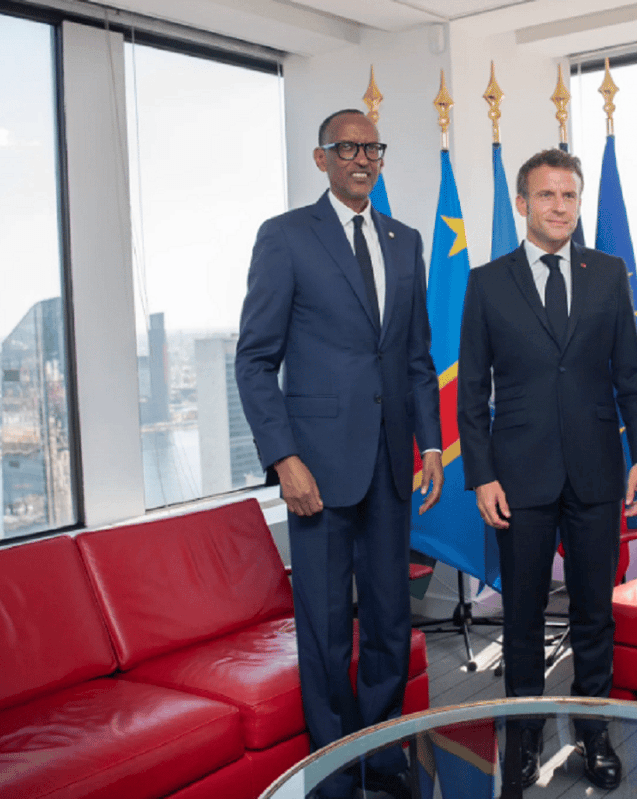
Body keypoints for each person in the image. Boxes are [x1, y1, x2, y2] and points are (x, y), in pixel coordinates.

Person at [235, 108, 443, 799]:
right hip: (315, 472)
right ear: (321, 159)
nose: (362, 158)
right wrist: (284, 458)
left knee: (388, 621)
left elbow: (416, 357)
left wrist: (433, 443)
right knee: (325, 629)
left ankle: (382, 755)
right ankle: (329, 770)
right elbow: (255, 361)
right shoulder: (287, 237)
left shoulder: (405, 241)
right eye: (347, 148)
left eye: (372, 148)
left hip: (390, 464)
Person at [457, 148, 637, 792]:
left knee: (594, 612)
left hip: (599, 472)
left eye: (569, 196)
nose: (560, 207)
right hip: (517, 478)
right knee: (520, 614)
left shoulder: (608, 273)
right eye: (546, 196)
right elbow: (471, 394)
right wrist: (482, 474)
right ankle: (524, 735)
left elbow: (632, 377)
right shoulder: (488, 282)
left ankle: (593, 732)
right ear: (522, 203)